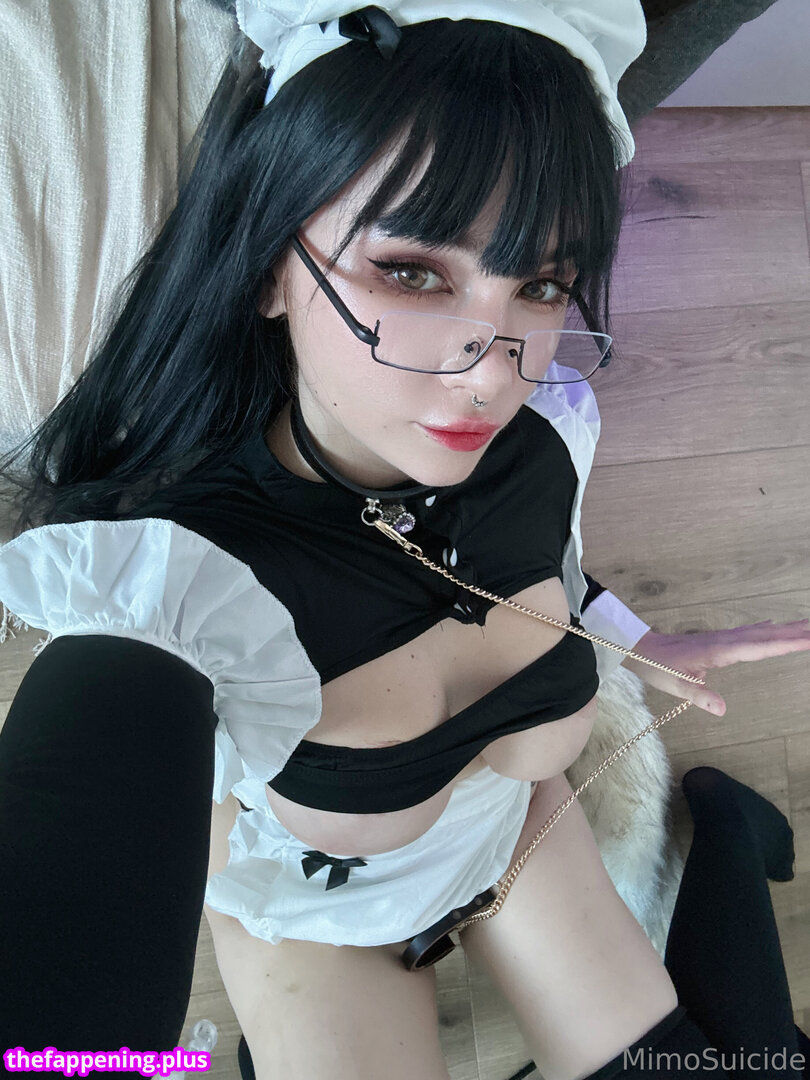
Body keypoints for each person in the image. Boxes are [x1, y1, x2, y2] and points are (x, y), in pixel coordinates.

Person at [0, 3, 808, 1078]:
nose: (491, 374)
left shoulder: (544, 432)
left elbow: (546, 564)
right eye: (415, 273)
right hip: (326, 921)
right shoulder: (173, 590)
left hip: (515, 832)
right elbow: (62, 938)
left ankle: (723, 827)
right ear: (269, 265)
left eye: (542, 284)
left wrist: (626, 642)